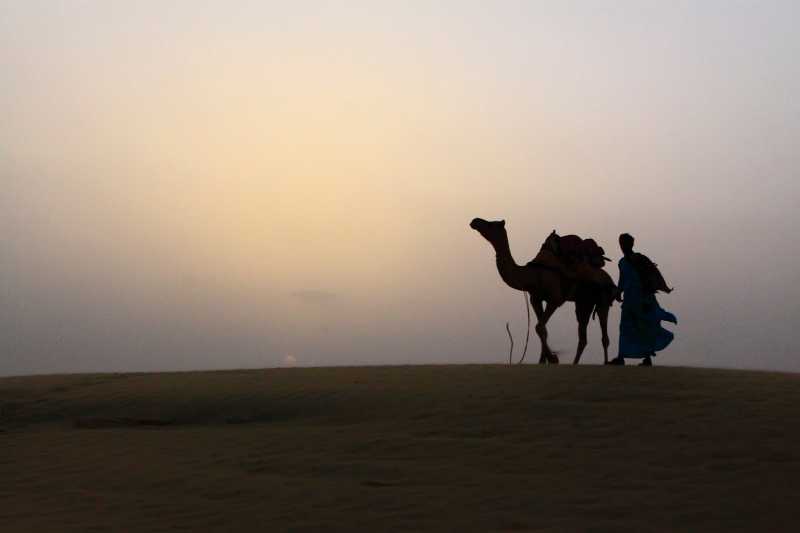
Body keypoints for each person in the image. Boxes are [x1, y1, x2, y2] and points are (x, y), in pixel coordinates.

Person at [608, 233, 677, 366]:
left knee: (643, 328)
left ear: (631, 244)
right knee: (625, 327)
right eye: (621, 243)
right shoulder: (622, 262)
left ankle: (647, 358)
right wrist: (618, 292)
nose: (622, 246)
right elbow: (622, 280)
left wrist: (647, 299)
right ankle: (621, 357)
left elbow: (648, 278)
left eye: (625, 243)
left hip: (642, 300)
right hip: (629, 300)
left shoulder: (639, 259)